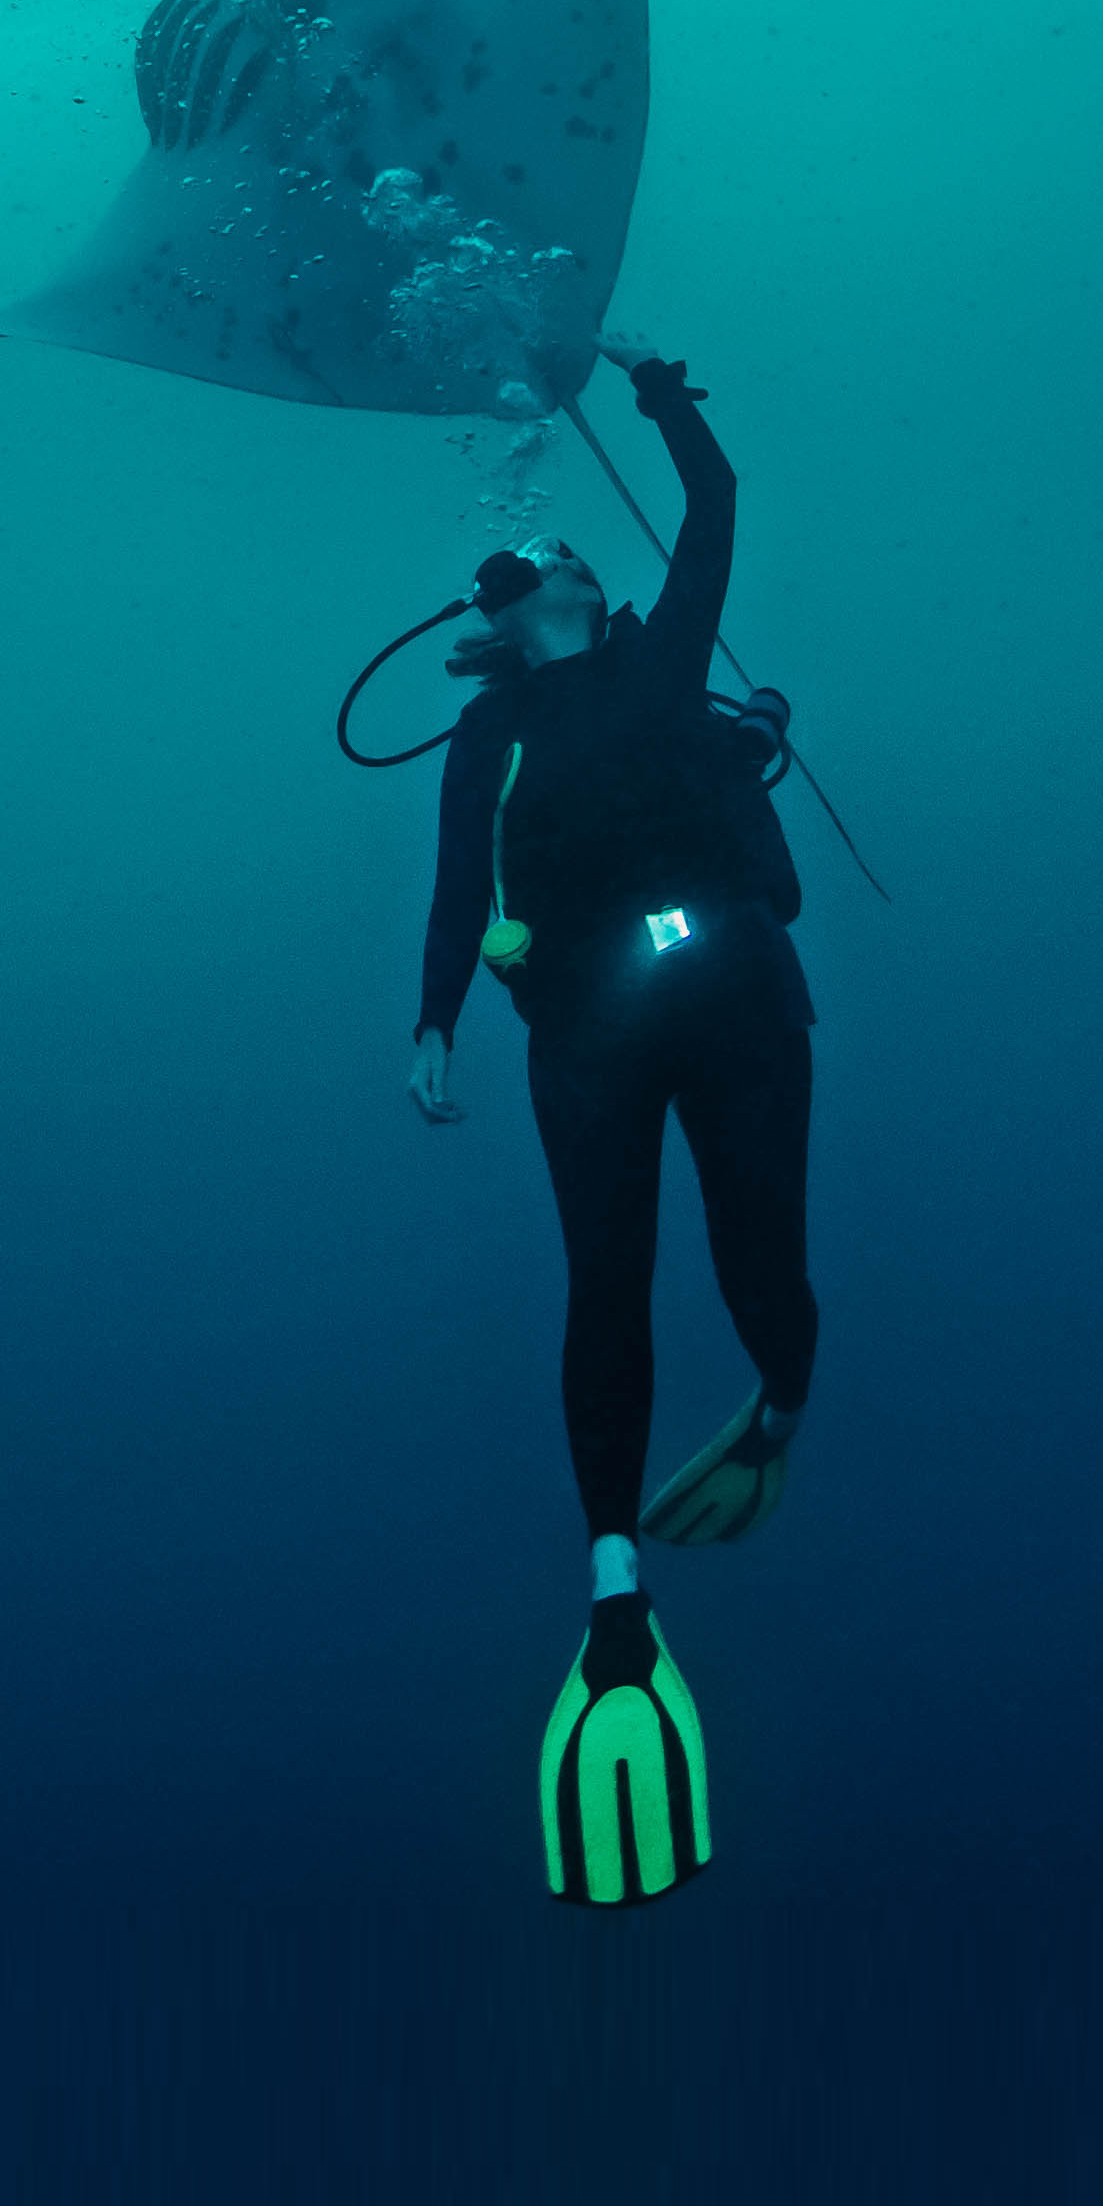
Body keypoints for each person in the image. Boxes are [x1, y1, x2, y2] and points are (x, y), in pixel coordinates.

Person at [408, 349, 816, 1643]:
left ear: (583, 582)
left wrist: (660, 390)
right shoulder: (486, 736)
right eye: (524, 562)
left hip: (740, 995)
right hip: (588, 1033)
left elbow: (714, 506)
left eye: (558, 550)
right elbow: (457, 886)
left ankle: (781, 1403)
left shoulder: (662, 662)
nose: (546, 562)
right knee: (606, 1281)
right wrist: (434, 1022)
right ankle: (613, 1585)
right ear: (507, 613)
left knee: (761, 1250)